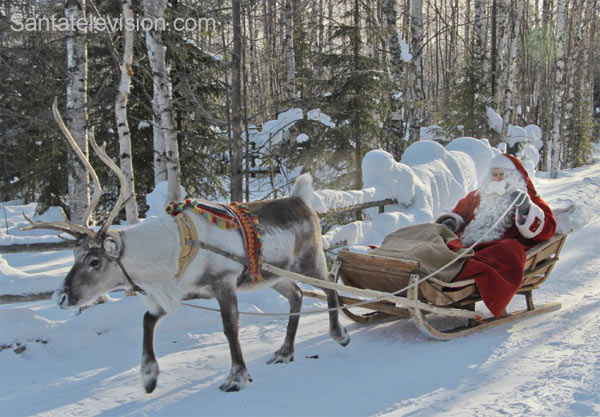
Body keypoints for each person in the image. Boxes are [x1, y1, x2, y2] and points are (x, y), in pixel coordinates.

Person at [435, 153, 556, 318]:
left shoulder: (528, 199)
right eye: (494, 175)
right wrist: (451, 222)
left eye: (502, 175)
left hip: (497, 247)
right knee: (432, 236)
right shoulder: (477, 196)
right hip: (466, 243)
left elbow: (548, 228)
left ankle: (454, 275)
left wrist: (526, 208)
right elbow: (459, 213)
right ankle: (427, 268)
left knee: (506, 250)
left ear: (513, 177)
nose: (498, 179)